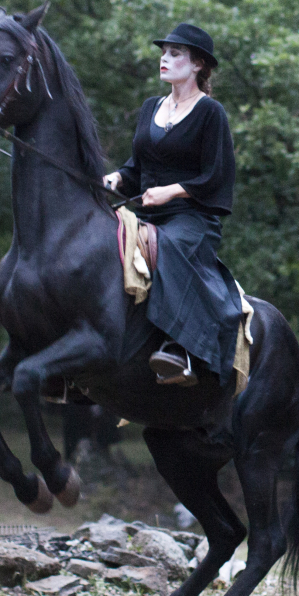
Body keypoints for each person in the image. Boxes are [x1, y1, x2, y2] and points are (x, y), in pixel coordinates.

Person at [104, 23, 243, 385]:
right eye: (163, 53)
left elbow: (217, 176)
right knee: (96, 243)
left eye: (175, 54)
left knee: (168, 246)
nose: (165, 59)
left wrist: (171, 191)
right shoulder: (151, 107)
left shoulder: (211, 112)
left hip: (190, 218)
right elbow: (138, 168)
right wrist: (117, 178)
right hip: (145, 212)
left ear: (198, 65)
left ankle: (182, 350)